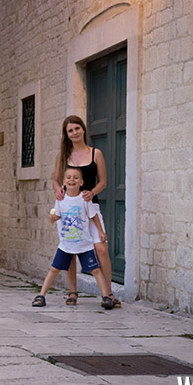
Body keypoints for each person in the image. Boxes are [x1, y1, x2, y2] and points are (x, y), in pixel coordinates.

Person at [52, 115, 121, 309]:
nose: (74, 133)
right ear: (66, 134)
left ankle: (108, 294)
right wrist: (57, 190)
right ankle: (73, 292)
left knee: (101, 249)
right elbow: (55, 180)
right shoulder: (63, 156)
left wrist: (93, 192)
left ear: (83, 129)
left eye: (77, 128)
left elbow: (103, 181)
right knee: (70, 250)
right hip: (69, 209)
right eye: (70, 130)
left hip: (90, 208)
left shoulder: (95, 153)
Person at [32, 167, 114, 309]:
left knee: (95, 270)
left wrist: (101, 231)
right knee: (54, 269)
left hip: (84, 244)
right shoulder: (61, 199)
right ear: (64, 182)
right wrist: (52, 218)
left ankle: (106, 296)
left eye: (76, 178)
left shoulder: (84, 199)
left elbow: (93, 216)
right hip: (66, 244)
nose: (72, 180)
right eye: (68, 177)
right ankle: (41, 295)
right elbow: (57, 216)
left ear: (81, 182)